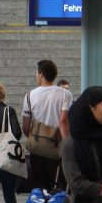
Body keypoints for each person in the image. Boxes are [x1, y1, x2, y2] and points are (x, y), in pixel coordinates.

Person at [22, 59, 73, 193]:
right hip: (57, 149)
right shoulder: (66, 94)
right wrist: (67, 145)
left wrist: (36, 138)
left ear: (41, 74)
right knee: (59, 188)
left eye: (36, 73)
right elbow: (64, 122)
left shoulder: (29, 96)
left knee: (40, 189)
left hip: (37, 150)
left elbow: (26, 128)